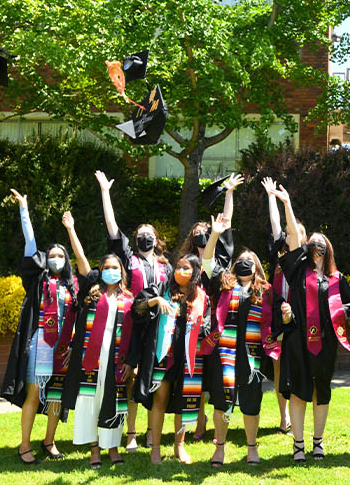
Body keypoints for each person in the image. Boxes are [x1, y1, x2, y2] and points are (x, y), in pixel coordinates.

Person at [272, 184, 350, 463]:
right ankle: (298, 445)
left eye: (321, 241)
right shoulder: (297, 270)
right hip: (298, 341)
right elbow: (294, 235)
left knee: (322, 392)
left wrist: (337, 313)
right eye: (313, 241)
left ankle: (317, 443)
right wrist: (287, 202)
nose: (316, 244)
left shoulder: (337, 278)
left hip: (325, 344)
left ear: (328, 248)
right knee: (298, 393)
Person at [95, 170, 172, 452]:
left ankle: (153, 431)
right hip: (133, 324)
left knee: (156, 379)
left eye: (149, 234)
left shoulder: (166, 265)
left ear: (157, 239)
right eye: (140, 234)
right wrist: (106, 193)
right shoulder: (129, 259)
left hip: (158, 328)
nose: (144, 237)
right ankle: (132, 432)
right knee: (130, 376)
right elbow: (113, 227)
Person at [1, 189, 77, 465]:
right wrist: (24, 209)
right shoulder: (37, 279)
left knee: (56, 393)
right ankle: (24, 445)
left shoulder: (72, 285)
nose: (56, 258)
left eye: (60, 255)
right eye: (52, 254)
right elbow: (30, 243)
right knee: (34, 392)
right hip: (40, 343)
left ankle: (50, 441)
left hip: (63, 347)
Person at [59, 211, 135, 469]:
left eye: (115, 268)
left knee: (113, 400)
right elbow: (80, 259)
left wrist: (131, 362)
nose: (111, 271)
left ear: (121, 271)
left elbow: (133, 334)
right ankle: (94, 449)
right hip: (90, 359)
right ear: (100, 271)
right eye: (106, 268)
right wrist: (71, 229)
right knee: (90, 401)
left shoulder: (128, 299)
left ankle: (112, 447)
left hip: (115, 359)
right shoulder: (92, 292)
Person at [199, 213, 271, 467]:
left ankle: (252, 447)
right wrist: (215, 234)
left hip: (251, 356)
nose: (244, 264)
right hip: (224, 353)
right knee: (221, 401)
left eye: (248, 261)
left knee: (251, 404)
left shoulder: (265, 291)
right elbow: (207, 261)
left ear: (256, 267)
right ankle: (220, 448)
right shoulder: (223, 284)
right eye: (240, 261)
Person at [179, 173, 243, 440]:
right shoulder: (189, 260)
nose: (202, 235)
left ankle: (214, 422)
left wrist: (228, 192)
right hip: (196, 317)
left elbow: (225, 223)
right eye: (198, 234)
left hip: (219, 317)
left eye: (206, 233)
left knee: (217, 372)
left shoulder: (222, 256)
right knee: (196, 372)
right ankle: (201, 420)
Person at [131, 254, 211, 464]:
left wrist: (200, 327)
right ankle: (155, 449)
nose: (180, 271)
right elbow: (136, 309)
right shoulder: (162, 289)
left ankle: (179, 446)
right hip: (163, 355)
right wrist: (155, 301)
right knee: (160, 399)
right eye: (178, 267)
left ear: (195, 272)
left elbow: (209, 327)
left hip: (188, 359)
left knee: (184, 403)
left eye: (186, 268)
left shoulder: (201, 297)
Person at [261, 177, 297, 435]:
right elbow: (276, 225)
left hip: (297, 320)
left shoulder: (304, 259)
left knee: (295, 367)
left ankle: (296, 411)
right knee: (277, 366)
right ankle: (284, 416)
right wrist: (271, 197)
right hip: (276, 318)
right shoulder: (279, 256)